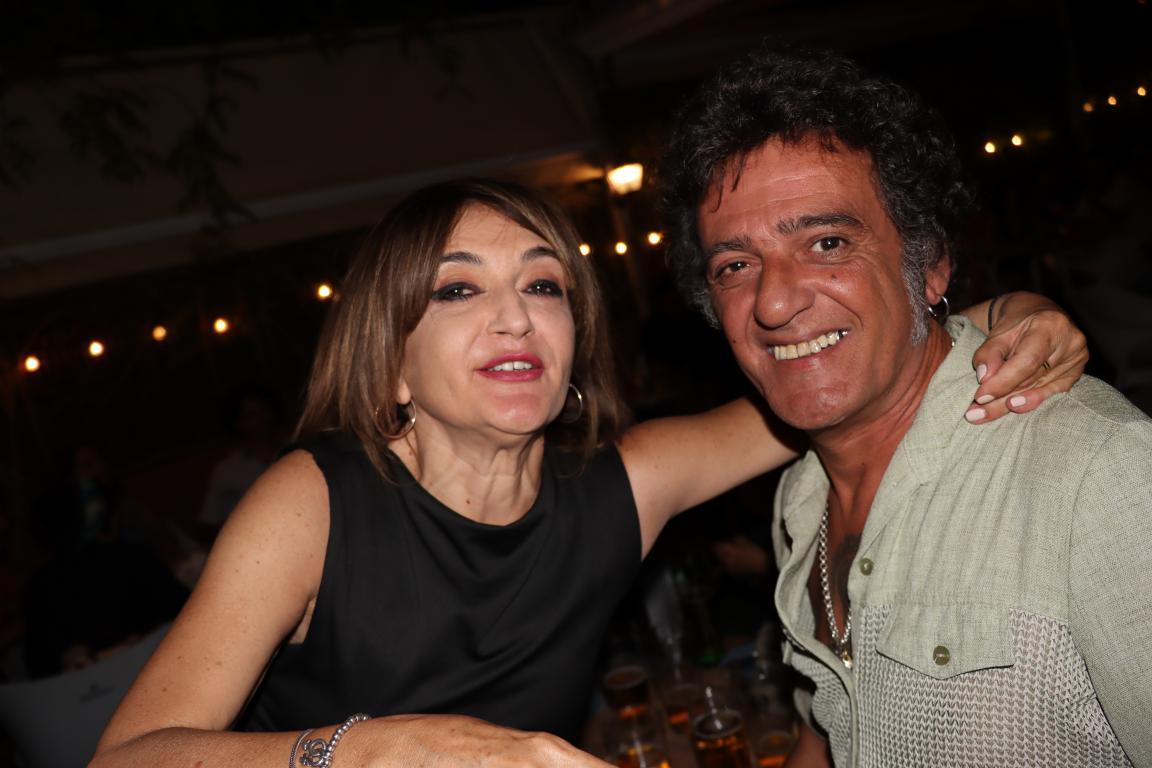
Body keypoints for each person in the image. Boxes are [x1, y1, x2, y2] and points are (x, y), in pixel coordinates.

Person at [93, 179, 1082, 767]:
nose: (515, 316)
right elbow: (130, 758)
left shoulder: (621, 487)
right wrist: (379, 748)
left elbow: (838, 377)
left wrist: (1010, 313)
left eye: (543, 285)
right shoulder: (314, 502)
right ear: (390, 361)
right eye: (458, 290)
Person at [662, 46, 1151, 766]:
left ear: (930, 266)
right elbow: (831, 731)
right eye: (735, 265)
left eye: (827, 242)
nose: (773, 301)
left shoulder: (1093, 470)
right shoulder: (800, 501)